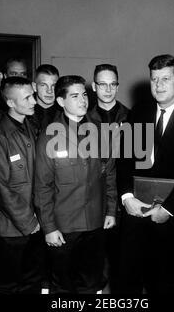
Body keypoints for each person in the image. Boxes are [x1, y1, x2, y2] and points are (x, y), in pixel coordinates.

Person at [117, 54, 174, 294]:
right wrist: (126, 197)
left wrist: (168, 209)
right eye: (154, 79)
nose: (158, 85)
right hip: (135, 211)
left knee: (164, 281)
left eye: (165, 79)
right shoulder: (139, 111)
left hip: (169, 216)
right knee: (128, 279)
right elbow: (125, 159)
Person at [35, 75, 117, 293]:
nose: (82, 100)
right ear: (61, 102)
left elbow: (108, 174)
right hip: (64, 226)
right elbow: (42, 187)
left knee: (91, 283)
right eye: (74, 96)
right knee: (63, 285)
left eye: (84, 95)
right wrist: (49, 228)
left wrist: (111, 211)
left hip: (94, 223)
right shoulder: (48, 135)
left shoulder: (100, 132)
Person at [0, 76, 46, 294]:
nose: (34, 101)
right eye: (28, 97)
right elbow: (0, 187)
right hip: (13, 230)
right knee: (9, 285)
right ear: (11, 103)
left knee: (33, 281)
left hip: (37, 223)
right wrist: (28, 222)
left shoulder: (32, 127)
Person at [89, 63, 129, 292]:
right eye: (102, 84)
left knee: (120, 257)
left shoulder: (131, 117)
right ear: (94, 86)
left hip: (122, 199)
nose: (108, 89)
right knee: (95, 257)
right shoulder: (83, 118)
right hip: (92, 197)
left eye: (112, 84)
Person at [28, 64, 60, 136]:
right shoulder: (24, 115)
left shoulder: (66, 115)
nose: (49, 91)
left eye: (53, 86)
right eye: (43, 85)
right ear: (34, 87)